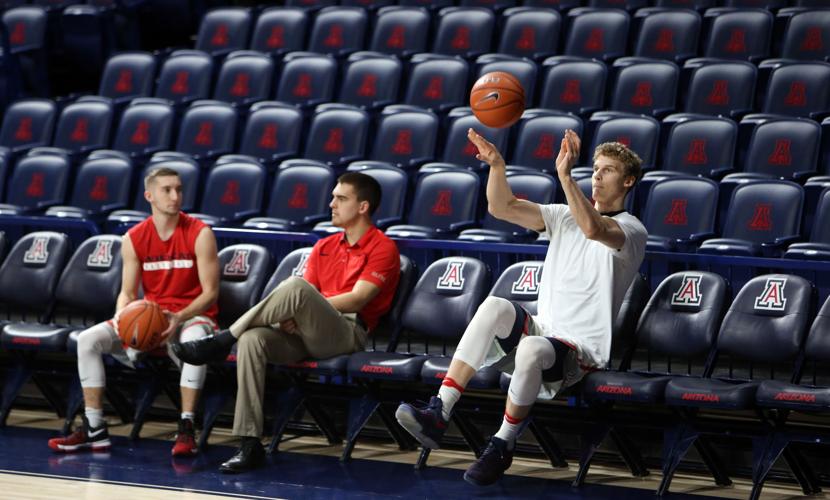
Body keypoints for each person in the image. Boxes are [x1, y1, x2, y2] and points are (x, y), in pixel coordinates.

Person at [395, 129, 648, 486]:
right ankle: (440, 409)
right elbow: (502, 207)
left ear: (628, 180)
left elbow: (594, 229)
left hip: (581, 350)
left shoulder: (632, 231)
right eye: (595, 169)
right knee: (495, 306)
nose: (597, 176)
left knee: (531, 347)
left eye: (607, 170)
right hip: (546, 329)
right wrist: (497, 166)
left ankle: (502, 444)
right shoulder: (563, 216)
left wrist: (564, 176)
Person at [173, 172, 401, 473]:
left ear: (363, 207)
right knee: (252, 340)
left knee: (295, 288)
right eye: (333, 197)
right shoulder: (324, 246)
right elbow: (302, 299)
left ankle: (223, 339)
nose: (331, 204)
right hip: (307, 330)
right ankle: (250, 444)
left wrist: (304, 306)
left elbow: (357, 299)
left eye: (341, 198)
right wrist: (296, 314)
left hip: (347, 332)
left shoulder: (383, 247)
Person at [48, 167, 220, 457]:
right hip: (151, 316)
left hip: (191, 316)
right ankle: (94, 427)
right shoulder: (134, 237)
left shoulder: (200, 233)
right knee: (88, 340)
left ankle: (187, 427)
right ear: (149, 195)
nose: (175, 196)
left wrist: (179, 317)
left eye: (178, 189)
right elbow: (128, 293)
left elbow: (211, 293)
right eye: (167, 190)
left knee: (194, 343)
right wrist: (123, 317)